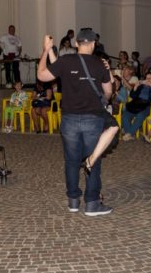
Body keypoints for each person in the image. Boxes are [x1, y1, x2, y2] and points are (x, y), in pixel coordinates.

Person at [37, 29, 113, 216]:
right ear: (93, 44)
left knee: (71, 162)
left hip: (69, 119)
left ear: (77, 43)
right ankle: (92, 203)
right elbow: (108, 92)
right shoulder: (100, 64)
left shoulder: (66, 60)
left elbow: (42, 76)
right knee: (93, 160)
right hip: (93, 119)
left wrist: (46, 50)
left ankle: (73, 201)